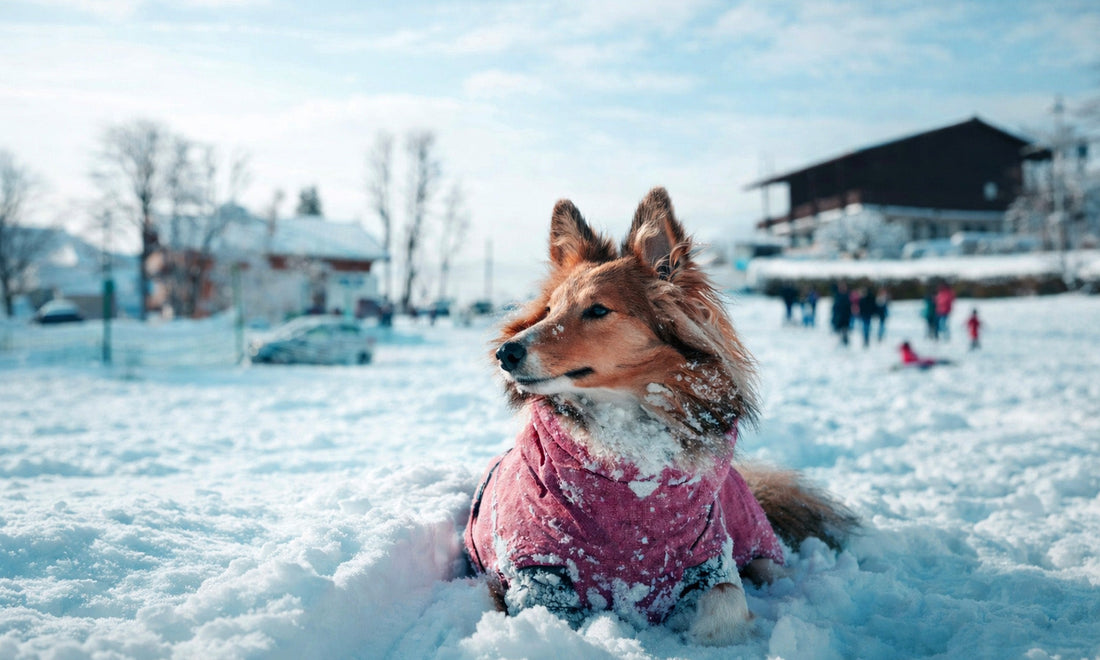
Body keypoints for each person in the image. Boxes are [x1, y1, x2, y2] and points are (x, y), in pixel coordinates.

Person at [831, 281, 852, 346]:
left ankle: (845, 340)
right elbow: (835, 306)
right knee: (840, 329)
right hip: (839, 316)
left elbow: (850, 305)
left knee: (845, 329)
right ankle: (842, 340)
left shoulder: (848, 295)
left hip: (846, 315)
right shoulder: (837, 295)